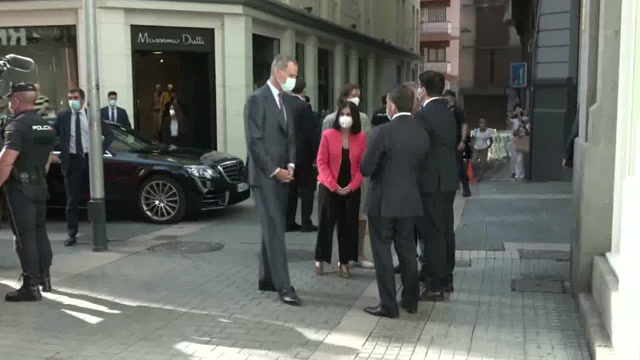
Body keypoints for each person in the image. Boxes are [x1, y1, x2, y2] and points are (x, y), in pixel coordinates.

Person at [361, 85, 430, 318]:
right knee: (408, 252)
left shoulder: (382, 132)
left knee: (382, 254)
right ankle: (410, 300)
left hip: (382, 202)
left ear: (391, 105)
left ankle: (388, 305)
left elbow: (366, 167)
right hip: (409, 200)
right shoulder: (421, 132)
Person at [245, 54, 300, 306]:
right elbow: (254, 141)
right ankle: (283, 286)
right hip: (265, 176)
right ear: (277, 72)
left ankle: (266, 278)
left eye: (295, 76)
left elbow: (290, 137)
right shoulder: (257, 100)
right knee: (276, 228)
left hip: (282, 174)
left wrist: (289, 165)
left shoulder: (285, 101)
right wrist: (274, 170)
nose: (293, 80)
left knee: (272, 225)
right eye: (291, 75)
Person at [0, 83, 56, 301]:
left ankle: (30, 286)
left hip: (20, 190)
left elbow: (6, 161)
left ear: (15, 100)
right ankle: (45, 278)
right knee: (40, 233)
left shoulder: (17, 127)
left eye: (10, 100)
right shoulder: (45, 126)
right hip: (40, 186)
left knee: (24, 237)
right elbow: (47, 161)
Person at [415, 71, 459, 301]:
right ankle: (447, 278)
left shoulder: (423, 115)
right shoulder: (447, 111)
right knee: (445, 229)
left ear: (422, 88)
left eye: (418, 86)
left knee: (432, 232)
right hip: (449, 178)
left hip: (430, 180)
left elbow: (419, 148)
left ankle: (434, 284)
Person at [322, 83, 373, 268]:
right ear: (343, 97)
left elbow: (368, 144)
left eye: (358, 95)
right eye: (353, 95)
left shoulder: (364, 118)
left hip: (359, 175)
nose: (356, 99)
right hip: (337, 176)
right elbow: (324, 150)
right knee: (339, 217)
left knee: (360, 216)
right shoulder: (329, 120)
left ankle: (359, 254)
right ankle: (342, 255)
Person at [315, 101, 367, 278]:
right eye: (342, 114)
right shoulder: (329, 135)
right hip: (329, 185)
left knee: (348, 224)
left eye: (349, 114)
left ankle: (344, 261)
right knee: (326, 223)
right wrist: (333, 185)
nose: (345, 118)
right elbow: (321, 162)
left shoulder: (360, 137)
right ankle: (320, 258)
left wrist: (352, 186)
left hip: (351, 187)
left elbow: (362, 166)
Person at [54, 88, 112, 247]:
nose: (72, 100)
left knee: (96, 197)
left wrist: (99, 150)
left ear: (83, 99)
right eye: (70, 97)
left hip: (89, 159)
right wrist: (58, 153)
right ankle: (72, 234)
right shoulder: (63, 117)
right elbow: (53, 135)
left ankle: (100, 232)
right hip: (72, 161)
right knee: (72, 200)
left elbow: (109, 134)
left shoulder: (92, 115)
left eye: (75, 97)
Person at [286, 79, 320, 232]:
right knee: (307, 189)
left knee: (290, 190)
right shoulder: (303, 106)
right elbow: (309, 132)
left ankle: (288, 221)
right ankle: (306, 222)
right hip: (304, 156)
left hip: (288, 156)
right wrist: (316, 155)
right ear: (303, 90)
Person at [443, 90, 471, 197]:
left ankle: (465, 185)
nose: (446, 99)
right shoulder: (443, 109)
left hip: (456, 141)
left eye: (448, 98)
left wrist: (463, 141)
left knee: (458, 165)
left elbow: (464, 125)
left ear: (453, 98)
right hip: (445, 141)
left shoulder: (458, 110)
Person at [512, 115, 530, 181]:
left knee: (520, 160)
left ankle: (521, 175)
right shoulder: (518, 127)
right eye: (522, 121)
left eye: (524, 122)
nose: (523, 123)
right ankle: (517, 175)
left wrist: (524, 128)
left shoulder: (526, 127)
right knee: (516, 160)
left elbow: (528, 134)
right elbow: (514, 133)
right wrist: (519, 127)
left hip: (523, 145)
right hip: (518, 144)